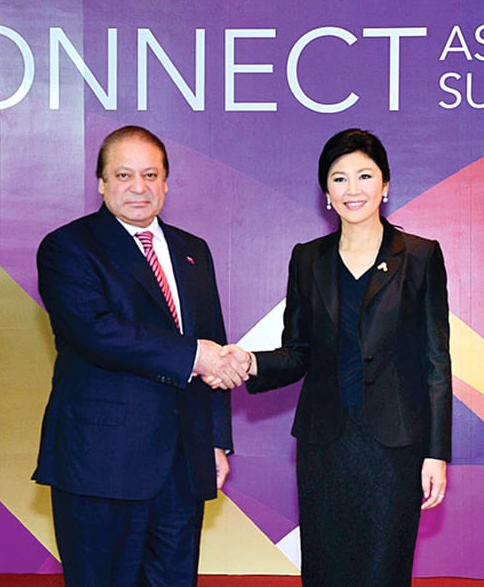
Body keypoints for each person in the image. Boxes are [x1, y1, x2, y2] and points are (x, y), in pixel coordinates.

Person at [231, 128, 452, 586]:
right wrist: (252, 363)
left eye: (365, 176)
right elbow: (298, 352)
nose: (353, 190)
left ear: (386, 185)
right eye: (339, 179)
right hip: (324, 444)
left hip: (395, 447)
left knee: (383, 572)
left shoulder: (420, 256)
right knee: (326, 570)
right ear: (326, 192)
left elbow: (436, 362)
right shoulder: (308, 260)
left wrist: (436, 454)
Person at [33, 125, 246, 587]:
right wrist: (195, 355)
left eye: (151, 174)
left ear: (166, 182)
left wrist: (215, 439)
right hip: (101, 464)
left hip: (182, 464)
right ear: (101, 183)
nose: (139, 187)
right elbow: (96, 332)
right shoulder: (67, 248)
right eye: (124, 174)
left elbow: (214, 341)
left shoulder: (194, 251)